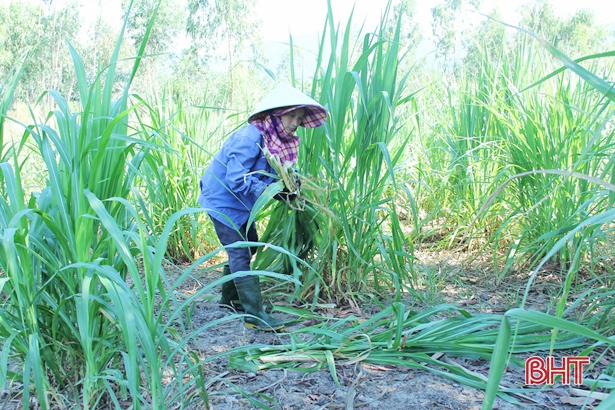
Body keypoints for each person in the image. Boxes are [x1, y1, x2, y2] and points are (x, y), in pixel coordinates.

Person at [198, 83, 327, 331]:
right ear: (275, 114)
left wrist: (291, 185)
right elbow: (237, 179)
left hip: (242, 203)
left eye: (299, 119)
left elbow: (276, 172)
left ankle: (230, 299)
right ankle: (253, 314)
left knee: (252, 242)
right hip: (222, 199)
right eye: (291, 115)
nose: (294, 123)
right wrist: (274, 191)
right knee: (240, 252)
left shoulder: (278, 141)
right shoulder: (250, 138)